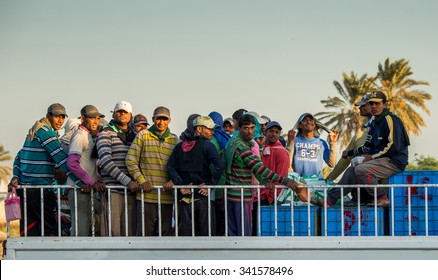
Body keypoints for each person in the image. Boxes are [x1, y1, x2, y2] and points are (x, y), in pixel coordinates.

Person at [316, 91, 409, 207]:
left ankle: (382, 197)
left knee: (361, 169)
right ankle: (330, 200)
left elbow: (393, 146)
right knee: (352, 170)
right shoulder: (374, 123)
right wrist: (349, 153)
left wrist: (370, 157)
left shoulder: (389, 120)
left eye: (377, 103)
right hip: (380, 161)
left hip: (393, 161)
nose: (374, 106)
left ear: (384, 104)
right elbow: (367, 147)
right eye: (371, 104)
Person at [223, 114, 308, 236]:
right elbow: (259, 167)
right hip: (240, 195)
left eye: (252, 128)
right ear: (239, 128)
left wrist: (263, 180)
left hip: (233, 193)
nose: (250, 132)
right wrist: (286, 181)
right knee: (244, 232)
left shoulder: (234, 142)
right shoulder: (241, 147)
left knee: (233, 232)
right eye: (246, 128)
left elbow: (255, 169)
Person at [9, 103, 85, 236]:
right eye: (56, 116)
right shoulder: (45, 132)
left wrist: (16, 176)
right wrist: (81, 183)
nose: (60, 120)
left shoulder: (33, 131)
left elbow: (18, 157)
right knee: (50, 230)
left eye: (62, 117)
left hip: (27, 190)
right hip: (40, 191)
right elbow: (62, 160)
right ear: (48, 116)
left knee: (30, 231)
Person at [167, 116, 224, 236]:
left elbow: (170, 167)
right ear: (199, 129)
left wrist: (181, 185)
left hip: (185, 197)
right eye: (210, 129)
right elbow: (220, 166)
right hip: (202, 197)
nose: (213, 132)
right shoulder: (207, 146)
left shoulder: (179, 147)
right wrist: (209, 184)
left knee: (186, 235)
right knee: (206, 235)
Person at [126, 106, 179, 236]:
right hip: (146, 196)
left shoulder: (174, 140)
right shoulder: (143, 135)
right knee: (144, 236)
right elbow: (130, 160)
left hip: (166, 197)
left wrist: (173, 181)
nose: (161, 122)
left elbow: (180, 166)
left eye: (164, 119)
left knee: (164, 236)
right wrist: (142, 181)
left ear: (169, 121)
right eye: (158, 119)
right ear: (153, 119)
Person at [96, 101, 140, 236]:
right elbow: (106, 162)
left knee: (129, 233)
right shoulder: (105, 133)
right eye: (119, 112)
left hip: (131, 191)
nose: (122, 114)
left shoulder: (135, 135)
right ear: (114, 114)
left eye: (125, 112)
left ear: (131, 116)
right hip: (113, 189)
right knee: (112, 232)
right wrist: (128, 181)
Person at [67, 105, 106, 236]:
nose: (96, 121)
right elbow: (72, 163)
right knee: (80, 231)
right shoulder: (79, 135)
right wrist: (91, 182)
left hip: (86, 188)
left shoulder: (87, 135)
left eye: (97, 118)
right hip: (79, 189)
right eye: (92, 118)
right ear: (83, 118)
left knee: (88, 228)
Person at [252, 121, 290, 235]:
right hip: (256, 194)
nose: (274, 134)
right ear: (266, 132)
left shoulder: (281, 152)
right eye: (271, 131)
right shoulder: (260, 148)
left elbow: (281, 177)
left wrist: (271, 198)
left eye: (277, 132)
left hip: (268, 197)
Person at [287, 113, 339, 179]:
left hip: (317, 184)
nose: (308, 122)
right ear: (299, 125)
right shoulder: (294, 141)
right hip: (299, 184)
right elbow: (287, 163)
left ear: (314, 124)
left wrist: (333, 143)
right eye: (305, 120)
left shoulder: (321, 143)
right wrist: (290, 143)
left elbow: (332, 164)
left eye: (311, 120)